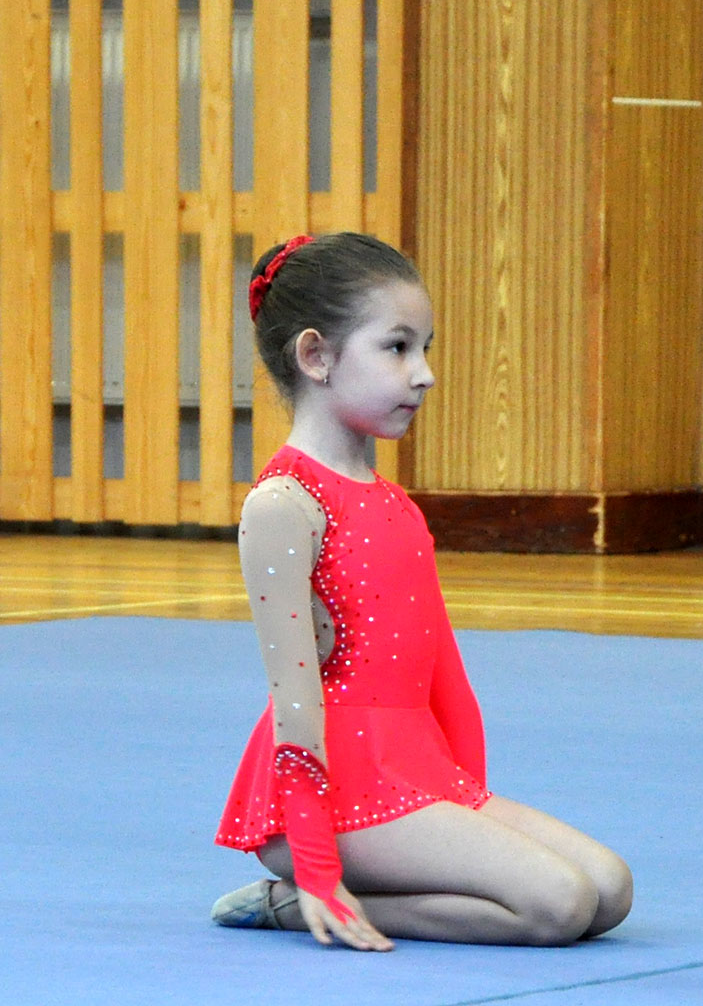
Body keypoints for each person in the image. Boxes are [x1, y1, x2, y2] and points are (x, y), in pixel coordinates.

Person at [211, 232, 633, 951]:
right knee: (558, 905)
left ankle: (369, 879)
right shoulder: (284, 504)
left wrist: (470, 801)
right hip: (331, 794)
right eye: (398, 348)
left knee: (609, 890)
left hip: (414, 772)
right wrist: (317, 870)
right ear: (315, 356)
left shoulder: (397, 505)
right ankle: (291, 903)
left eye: (425, 348)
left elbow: (444, 673)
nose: (425, 374)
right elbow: (294, 702)